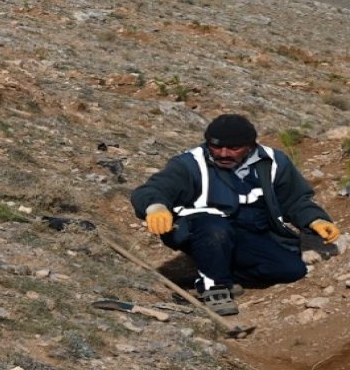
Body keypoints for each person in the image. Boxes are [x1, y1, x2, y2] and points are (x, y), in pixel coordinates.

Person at [130, 113, 340, 316]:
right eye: (216, 146)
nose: (223, 153)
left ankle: (213, 269)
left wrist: (315, 218)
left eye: (233, 148)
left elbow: (294, 200)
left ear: (250, 146)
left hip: (250, 233)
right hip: (203, 230)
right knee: (215, 229)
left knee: (291, 269)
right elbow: (153, 190)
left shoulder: (274, 162)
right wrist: (155, 207)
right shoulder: (190, 163)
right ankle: (214, 286)